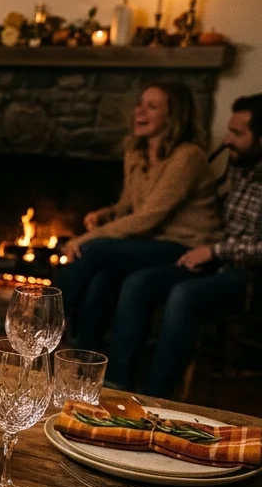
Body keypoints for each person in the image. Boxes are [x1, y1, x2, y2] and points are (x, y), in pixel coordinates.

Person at [105, 94, 262, 397]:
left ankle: (156, 396)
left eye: (237, 134)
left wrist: (216, 251)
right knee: (139, 282)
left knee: (184, 294)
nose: (227, 139)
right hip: (216, 261)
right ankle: (117, 383)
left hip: (250, 276)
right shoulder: (241, 166)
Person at [58, 81, 222, 350]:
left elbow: (149, 216)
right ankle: (82, 357)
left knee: (91, 250)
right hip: (149, 242)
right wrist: (107, 214)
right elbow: (129, 205)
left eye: (152, 106)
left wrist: (86, 237)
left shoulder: (187, 156)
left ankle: (41, 325)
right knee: (100, 278)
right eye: (140, 104)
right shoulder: (137, 151)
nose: (140, 112)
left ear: (174, 115)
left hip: (185, 246)